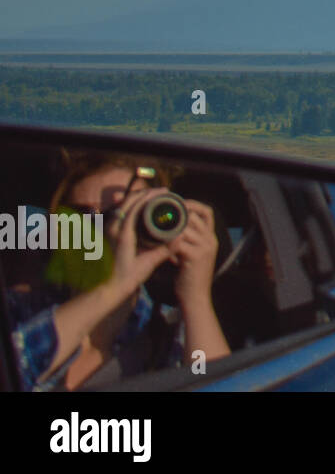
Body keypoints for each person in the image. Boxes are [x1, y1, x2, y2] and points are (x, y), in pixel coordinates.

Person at [7, 150, 231, 391]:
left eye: (126, 216)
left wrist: (196, 298)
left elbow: (215, 384)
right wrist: (111, 287)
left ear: (156, 228)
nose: (110, 232)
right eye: (86, 217)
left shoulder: (166, 334)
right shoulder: (17, 310)